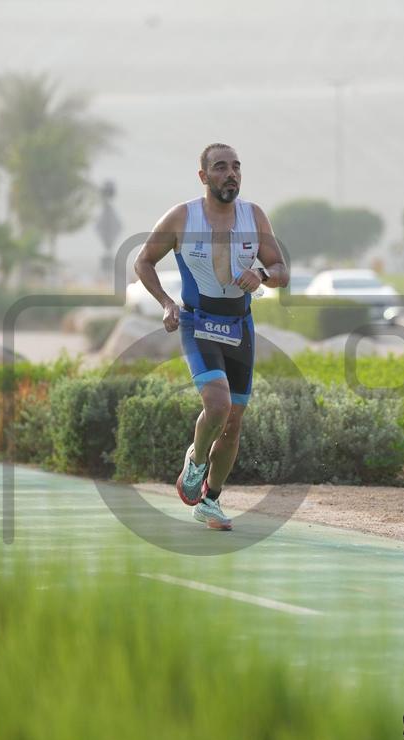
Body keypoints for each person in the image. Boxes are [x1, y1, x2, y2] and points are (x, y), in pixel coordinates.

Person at [134, 143, 289, 530]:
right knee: (217, 405)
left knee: (233, 422)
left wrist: (262, 276)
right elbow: (143, 261)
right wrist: (166, 303)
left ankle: (210, 501)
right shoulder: (182, 217)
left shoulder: (254, 216)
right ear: (203, 176)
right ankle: (196, 461)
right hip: (198, 322)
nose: (230, 173)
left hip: (240, 326)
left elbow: (280, 270)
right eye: (220, 167)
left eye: (236, 166)